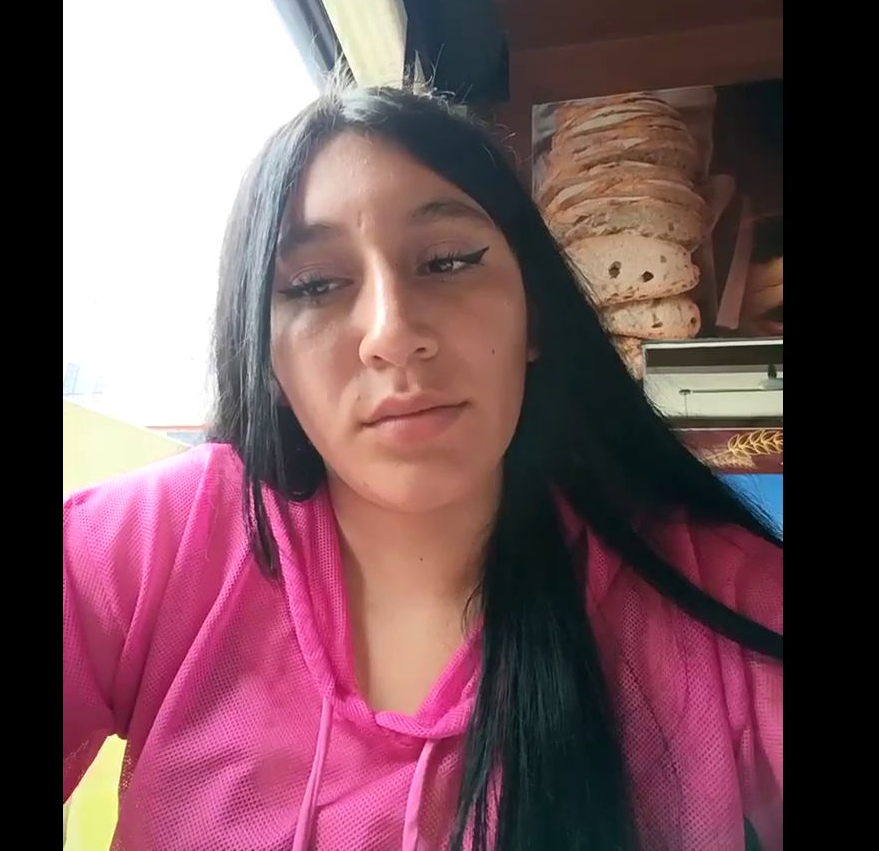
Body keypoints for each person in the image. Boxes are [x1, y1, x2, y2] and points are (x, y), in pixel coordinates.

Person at [63, 84, 782, 851]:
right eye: (314, 285)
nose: (392, 333)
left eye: (446, 261)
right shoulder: (154, 546)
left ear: (534, 313)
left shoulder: (714, 597)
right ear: (266, 359)